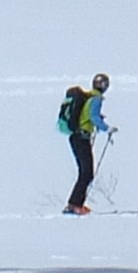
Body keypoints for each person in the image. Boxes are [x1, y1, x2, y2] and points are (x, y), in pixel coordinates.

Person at [56, 73, 110, 215]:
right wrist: (106, 128)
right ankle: (75, 205)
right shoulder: (96, 99)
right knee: (87, 173)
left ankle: (75, 204)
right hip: (82, 137)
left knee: (84, 172)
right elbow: (93, 117)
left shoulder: (88, 97)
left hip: (76, 137)